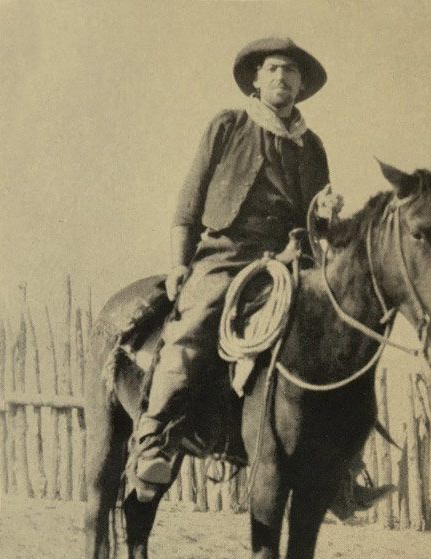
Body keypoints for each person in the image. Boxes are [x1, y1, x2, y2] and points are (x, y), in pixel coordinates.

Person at [129, 36, 389, 513]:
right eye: (273, 69)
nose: (282, 79)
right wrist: (180, 263)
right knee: (196, 321)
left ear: (301, 86)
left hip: (291, 259)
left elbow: (318, 225)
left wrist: (328, 215)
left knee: (338, 336)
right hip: (227, 255)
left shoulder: (312, 146)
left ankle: (343, 471)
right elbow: (189, 204)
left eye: (292, 72)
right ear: (256, 78)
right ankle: (155, 440)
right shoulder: (227, 126)